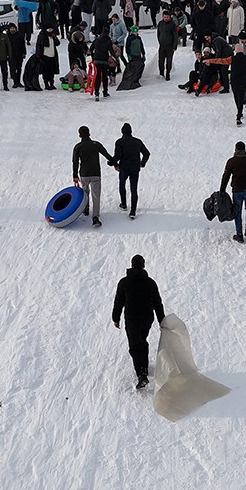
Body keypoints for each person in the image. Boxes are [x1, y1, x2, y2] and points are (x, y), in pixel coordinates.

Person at [111, 254, 165, 390]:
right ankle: (144, 368)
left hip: (132, 318)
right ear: (144, 266)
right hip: (147, 319)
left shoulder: (124, 282)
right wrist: (162, 320)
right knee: (143, 340)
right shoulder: (150, 282)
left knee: (135, 345)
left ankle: (141, 374)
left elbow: (118, 302)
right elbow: (157, 303)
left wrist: (115, 318)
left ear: (132, 265)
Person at [220, 141, 246, 243]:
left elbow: (225, 176)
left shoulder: (232, 161)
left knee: (237, 212)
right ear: (244, 149)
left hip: (237, 191)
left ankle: (239, 235)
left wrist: (222, 190)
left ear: (235, 149)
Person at [72, 125, 114, 227]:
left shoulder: (78, 147)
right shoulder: (96, 144)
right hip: (96, 173)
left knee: (85, 192)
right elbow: (107, 155)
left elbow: (75, 162)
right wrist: (114, 163)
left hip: (84, 174)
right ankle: (95, 217)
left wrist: (75, 175)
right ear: (89, 134)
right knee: (96, 195)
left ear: (79, 135)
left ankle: (85, 209)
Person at [111, 122, 150, 218]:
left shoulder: (119, 142)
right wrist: (142, 163)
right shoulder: (138, 141)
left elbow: (118, 156)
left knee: (122, 185)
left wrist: (112, 163)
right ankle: (133, 211)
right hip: (135, 168)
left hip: (124, 168)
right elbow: (146, 153)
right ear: (131, 131)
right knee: (134, 189)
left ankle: (123, 204)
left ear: (122, 132)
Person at [156, 11, 177, 81]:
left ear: (170, 17)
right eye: (164, 17)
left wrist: (174, 45)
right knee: (161, 60)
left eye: (167, 17)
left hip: (170, 46)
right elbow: (158, 33)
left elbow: (175, 35)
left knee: (169, 60)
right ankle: (161, 73)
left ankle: (168, 73)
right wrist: (160, 41)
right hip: (162, 45)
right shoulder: (160, 23)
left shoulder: (172, 24)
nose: (166, 18)